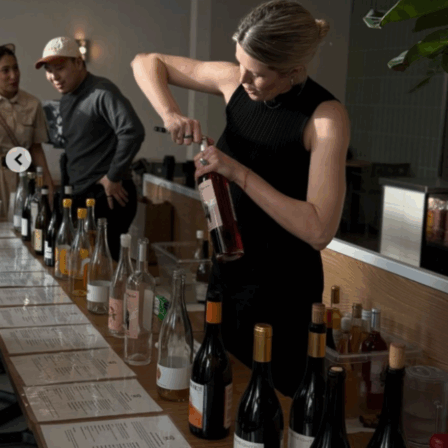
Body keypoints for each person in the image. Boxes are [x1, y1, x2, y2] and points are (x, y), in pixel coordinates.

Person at [131, 0, 351, 397]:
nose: (243, 78)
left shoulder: (325, 118)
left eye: (259, 73)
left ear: (293, 69)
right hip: (228, 275)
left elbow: (319, 230)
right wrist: (171, 113)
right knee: (217, 393)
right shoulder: (235, 80)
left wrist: (238, 172)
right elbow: (146, 62)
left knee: (272, 407)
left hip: (284, 292)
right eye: (240, 63)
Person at [35, 37, 145, 260]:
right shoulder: (67, 97)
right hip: (81, 195)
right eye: (48, 71)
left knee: (102, 268)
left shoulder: (101, 92)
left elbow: (132, 131)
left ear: (78, 62)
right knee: (77, 264)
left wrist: (113, 176)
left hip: (107, 196)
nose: (54, 76)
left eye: (60, 68)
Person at [0, 43, 53, 217]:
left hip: (24, 180)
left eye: (15, 68)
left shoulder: (32, 104)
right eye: (5, 70)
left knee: (25, 226)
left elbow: (36, 149)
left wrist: (48, 186)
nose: (13, 75)